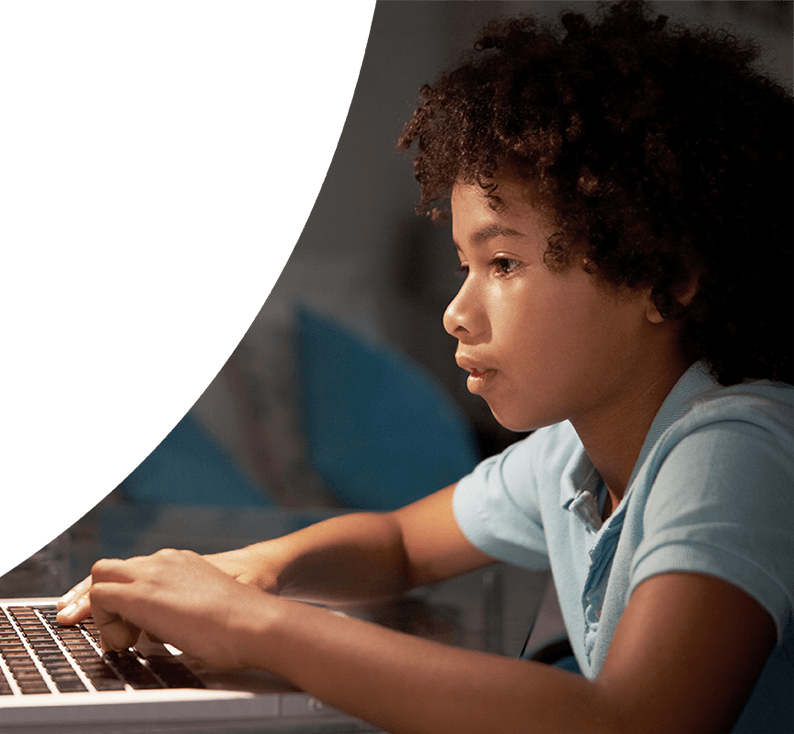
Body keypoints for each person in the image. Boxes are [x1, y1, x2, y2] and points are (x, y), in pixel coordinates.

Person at [57, 2, 794, 732]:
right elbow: (399, 545)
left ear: (661, 276)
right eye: (465, 265)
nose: (455, 312)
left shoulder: (733, 449)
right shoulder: (573, 455)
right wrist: (253, 568)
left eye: (503, 262)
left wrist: (254, 626)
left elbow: (638, 720)